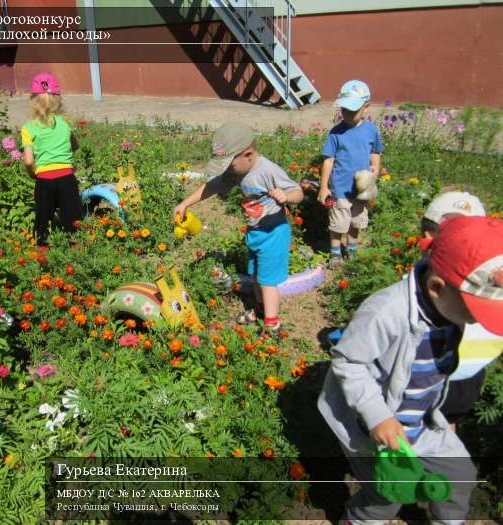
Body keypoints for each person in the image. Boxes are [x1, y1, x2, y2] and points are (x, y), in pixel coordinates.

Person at [318, 215, 503, 524]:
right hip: (375, 430)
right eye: (474, 312)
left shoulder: (447, 307)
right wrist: (378, 416)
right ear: (436, 287)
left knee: (460, 475)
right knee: (386, 497)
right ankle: (358, 518)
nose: (476, 322)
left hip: (423, 422)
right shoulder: (386, 312)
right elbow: (348, 361)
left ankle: (448, 520)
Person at [173, 122, 303, 334]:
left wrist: (287, 196)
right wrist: (186, 203)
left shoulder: (268, 171)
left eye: (229, 164)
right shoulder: (238, 170)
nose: (227, 171)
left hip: (273, 234)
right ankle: (260, 310)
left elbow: (297, 191)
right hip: (256, 233)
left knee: (268, 281)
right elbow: (213, 186)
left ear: (248, 154)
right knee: (256, 277)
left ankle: (273, 325)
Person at [419, 191, 501, 430]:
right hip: (467, 381)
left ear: (427, 236)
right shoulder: (493, 284)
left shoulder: (427, 291)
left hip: (429, 378)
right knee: (446, 423)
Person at [318, 80, 384, 269]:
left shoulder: (371, 130)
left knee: (357, 221)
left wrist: (375, 169)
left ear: (366, 107)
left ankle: (352, 248)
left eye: (352, 110)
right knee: (338, 223)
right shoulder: (336, 133)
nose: (347, 114)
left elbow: (375, 151)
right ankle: (336, 252)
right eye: (344, 109)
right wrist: (324, 187)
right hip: (340, 187)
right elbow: (328, 159)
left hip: (362, 188)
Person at [21, 73, 82, 250]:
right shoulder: (64, 123)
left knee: (43, 221)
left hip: (44, 180)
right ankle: (77, 256)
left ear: (33, 99)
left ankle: (43, 260)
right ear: (58, 99)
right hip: (67, 178)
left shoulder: (28, 128)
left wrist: (33, 173)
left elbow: (28, 160)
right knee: (74, 222)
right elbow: (75, 146)